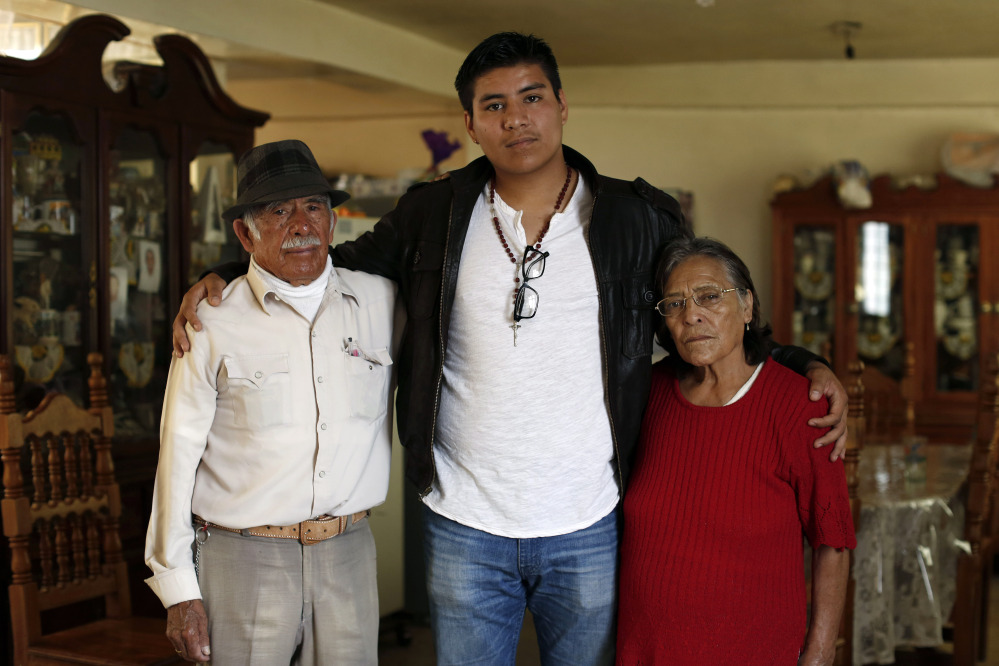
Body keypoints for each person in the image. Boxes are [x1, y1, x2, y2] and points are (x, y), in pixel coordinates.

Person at [172, 33, 848, 665]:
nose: (515, 119)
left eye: (531, 99)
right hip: (463, 522)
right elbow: (325, 262)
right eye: (493, 105)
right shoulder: (431, 215)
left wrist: (797, 362)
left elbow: (701, 309)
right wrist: (231, 274)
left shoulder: (634, 219)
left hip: (589, 518)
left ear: (560, 107)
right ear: (470, 123)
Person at [145, 140, 397, 664]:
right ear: (245, 232)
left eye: (313, 207)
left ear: (332, 220)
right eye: (278, 212)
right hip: (243, 556)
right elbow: (177, 454)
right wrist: (177, 587)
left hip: (349, 550)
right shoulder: (209, 321)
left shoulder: (382, 301)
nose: (300, 225)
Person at [616, 237, 856, 665]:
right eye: (674, 304)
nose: (692, 315)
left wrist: (819, 655)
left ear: (747, 306)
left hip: (753, 650)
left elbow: (832, 541)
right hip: (647, 649)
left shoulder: (800, 406)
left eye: (709, 297)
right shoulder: (646, 394)